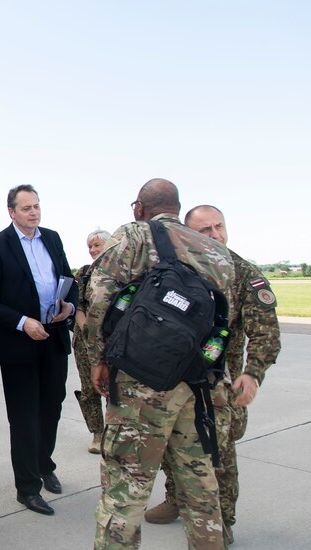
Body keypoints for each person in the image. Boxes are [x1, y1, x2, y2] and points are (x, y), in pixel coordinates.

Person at [84, 178, 234, 549]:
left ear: (139, 208)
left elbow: (100, 299)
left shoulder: (133, 236)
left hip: (141, 384)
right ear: (178, 209)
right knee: (200, 486)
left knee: (125, 487)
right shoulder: (212, 248)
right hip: (198, 384)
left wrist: (98, 360)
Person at [145, 204, 281, 544]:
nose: (215, 235)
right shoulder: (174, 269)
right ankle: (176, 499)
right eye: (205, 230)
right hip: (173, 381)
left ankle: (224, 518)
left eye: (218, 226)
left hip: (218, 384)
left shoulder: (242, 273)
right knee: (169, 448)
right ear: (188, 234)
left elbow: (266, 331)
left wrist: (252, 374)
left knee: (218, 455)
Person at [0, 184, 78, 516]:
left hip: (55, 336)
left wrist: (70, 306)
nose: (34, 212)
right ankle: (28, 488)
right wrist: (22, 322)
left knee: (52, 407)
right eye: (26, 208)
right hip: (19, 344)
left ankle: (44, 465)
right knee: (23, 417)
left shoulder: (52, 237)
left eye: (36, 206)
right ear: (11, 212)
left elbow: (69, 279)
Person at [72, 229, 111, 454]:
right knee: (89, 388)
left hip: (112, 341)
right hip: (85, 340)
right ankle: (97, 433)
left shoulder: (120, 272)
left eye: (98, 245)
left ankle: (113, 433)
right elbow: (77, 305)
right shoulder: (84, 274)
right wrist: (90, 331)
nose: (94, 250)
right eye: (91, 246)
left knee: (113, 388)